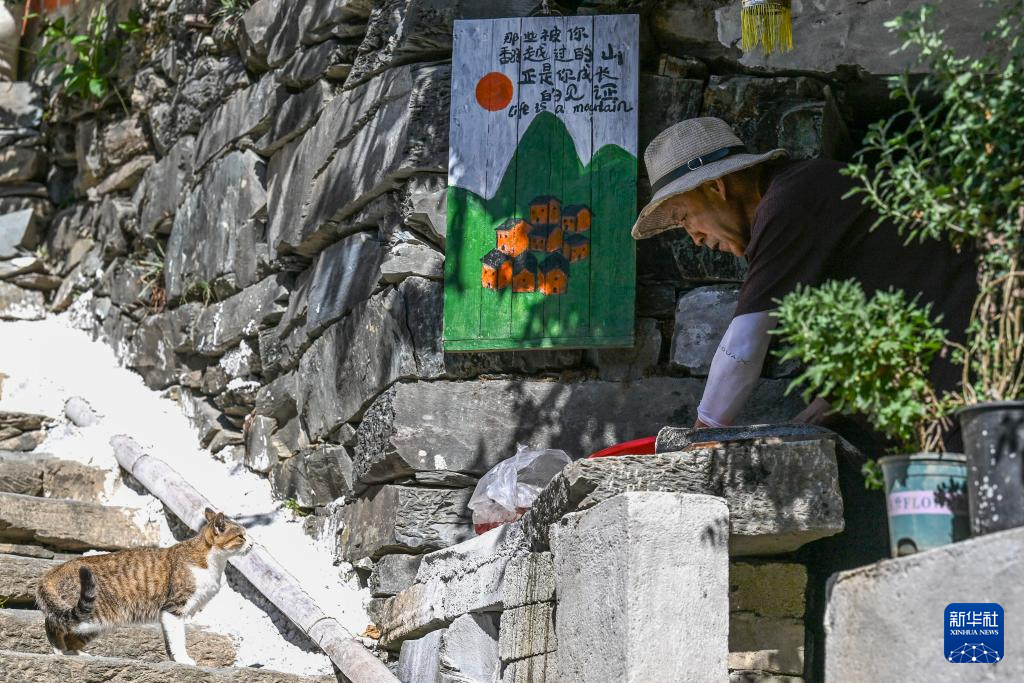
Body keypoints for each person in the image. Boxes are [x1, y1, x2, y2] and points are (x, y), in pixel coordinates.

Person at [631, 117, 977, 448]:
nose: (694, 238)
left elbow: (745, 342)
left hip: (966, 355)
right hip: (942, 367)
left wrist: (701, 437)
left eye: (685, 217)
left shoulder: (789, 202)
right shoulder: (795, 195)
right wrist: (815, 413)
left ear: (715, 187)